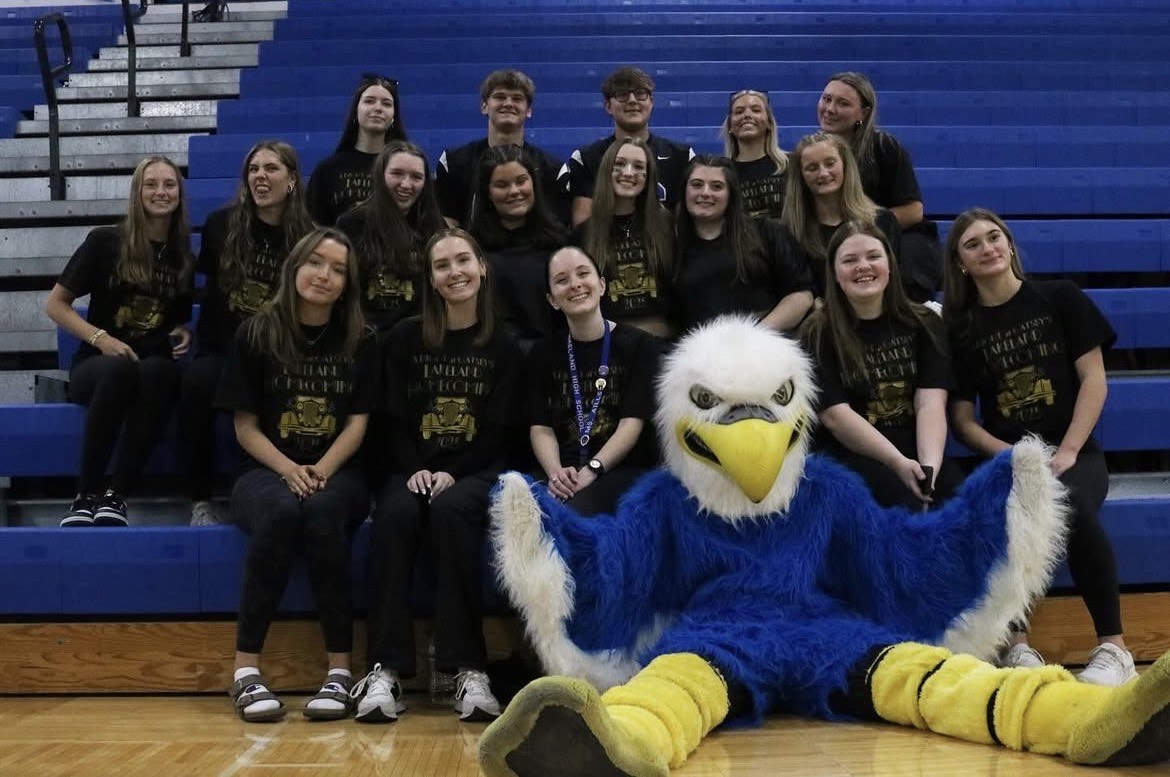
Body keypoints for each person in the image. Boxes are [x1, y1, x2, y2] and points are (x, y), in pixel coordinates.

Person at [943, 207, 1137, 686]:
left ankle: (1115, 650)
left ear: (1009, 244)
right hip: (1010, 459)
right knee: (1001, 518)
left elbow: (1094, 380)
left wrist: (1067, 451)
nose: (987, 248)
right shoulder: (961, 328)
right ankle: (1017, 646)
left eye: (994, 237)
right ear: (961, 263)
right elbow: (962, 419)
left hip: (1075, 452)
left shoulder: (1060, 297)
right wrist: (1012, 456)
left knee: (1070, 506)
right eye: (972, 244)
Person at [354, 228, 522, 724]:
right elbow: (391, 419)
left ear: (482, 267)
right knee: (396, 515)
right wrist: (416, 469)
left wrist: (453, 472)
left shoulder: (504, 345)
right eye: (442, 265)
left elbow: (499, 431)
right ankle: (384, 670)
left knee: (452, 512)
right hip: (412, 468)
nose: (455, 272)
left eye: (463, 260)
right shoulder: (404, 338)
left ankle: (467, 668)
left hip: (477, 469)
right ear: (430, 278)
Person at [217, 228, 378, 722]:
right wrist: (289, 469)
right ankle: (246, 670)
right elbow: (244, 427)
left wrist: (321, 470)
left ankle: (340, 672)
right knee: (281, 513)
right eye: (315, 262)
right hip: (265, 468)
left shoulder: (362, 338)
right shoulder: (255, 333)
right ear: (295, 266)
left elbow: (358, 424)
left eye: (337, 269)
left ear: (348, 284)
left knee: (324, 512)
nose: (324, 275)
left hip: (339, 471)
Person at [46, 156, 194, 528]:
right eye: (151, 184)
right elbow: (56, 305)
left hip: (149, 366)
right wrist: (102, 338)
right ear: (137, 192)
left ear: (180, 193)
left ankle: (117, 497)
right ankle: (85, 496)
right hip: (97, 366)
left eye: (169, 184)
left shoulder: (182, 256)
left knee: (162, 372)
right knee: (119, 369)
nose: (161, 192)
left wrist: (181, 328)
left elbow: (173, 314)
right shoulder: (105, 240)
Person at [179, 140, 315, 526]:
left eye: (271, 168)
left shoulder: (309, 237)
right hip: (221, 349)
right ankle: (199, 501)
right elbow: (204, 288)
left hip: (278, 352)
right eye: (253, 169)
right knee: (196, 382)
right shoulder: (221, 225)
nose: (260, 176)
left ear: (291, 180)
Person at [801, 220, 963, 510]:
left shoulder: (925, 323)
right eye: (850, 260)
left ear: (890, 266)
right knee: (902, 502)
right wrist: (897, 462)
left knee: (957, 501)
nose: (863, 266)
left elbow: (930, 403)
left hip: (914, 447)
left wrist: (929, 469)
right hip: (851, 454)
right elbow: (835, 417)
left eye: (873, 256)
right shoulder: (817, 332)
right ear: (835, 274)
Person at [528, 246, 660, 517]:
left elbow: (631, 424)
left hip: (620, 469)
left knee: (575, 511)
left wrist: (592, 470)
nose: (575, 284)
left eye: (583, 274)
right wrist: (556, 474)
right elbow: (540, 427)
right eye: (562, 280)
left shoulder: (639, 345)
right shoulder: (542, 353)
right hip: (563, 470)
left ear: (601, 285)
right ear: (552, 300)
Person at [817, 71, 940, 302]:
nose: (830, 109)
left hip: (897, 237)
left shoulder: (884, 147)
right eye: (826, 98)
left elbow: (913, 211)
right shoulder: (814, 153)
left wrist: (862, 231)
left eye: (843, 103)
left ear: (863, 113)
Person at [671, 155, 814, 335]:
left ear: (731, 194)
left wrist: (752, 337)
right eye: (697, 184)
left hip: (765, 342)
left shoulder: (768, 232)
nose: (705, 193)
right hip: (698, 347)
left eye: (717, 186)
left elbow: (801, 295)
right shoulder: (672, 245)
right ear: (684, 190)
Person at [558, 66, 694, 227]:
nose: (632, 100)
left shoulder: (682, 156)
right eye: (622, 94)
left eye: (640, 93)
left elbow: (685, 226)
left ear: (651, 102)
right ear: (608, 106)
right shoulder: (586, 158)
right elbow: (583, 229)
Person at [336, 140, 445, 335]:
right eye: (397, 173)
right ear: (380, 175)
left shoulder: (434, 225)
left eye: (416, 177)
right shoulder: (351, 224)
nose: (406, 184)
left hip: (417, 337)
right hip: (364, 336)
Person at [570, 137, 675, 340]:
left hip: (662, 345)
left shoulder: (667, 226)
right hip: (608, 346)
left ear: (648, 176)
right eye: (619, 164)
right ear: (606, 171)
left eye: (638, 166)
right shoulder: (583, 234)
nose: (628, 172)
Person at [434, 69, 567, 227]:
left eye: (517, 98)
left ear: (529, 110)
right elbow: (448, 226)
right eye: (500, 97)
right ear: (484, 106)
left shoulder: (552, 168)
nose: (508, 103)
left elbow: (555, 229)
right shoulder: (454, 162)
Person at [467, 144, 568, 348]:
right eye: (502, 185)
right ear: (488, 192)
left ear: (533, 183)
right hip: (493, 354)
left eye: (521, 181)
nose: (514, 191)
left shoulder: (561, 243)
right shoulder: (471, 249)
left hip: (549, 354)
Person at [781, 132, 901, 298]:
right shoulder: (790, 231)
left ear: (845, 165)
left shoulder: (882, 221)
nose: (823, 173)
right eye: (812, 168)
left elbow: (894, 284)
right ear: (801, 176)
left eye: (830, 163)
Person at [307, 74, 407, 225]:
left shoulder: (406, 169)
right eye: (369, 101)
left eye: (386, 104)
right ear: (355, 110)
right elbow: (315, 227)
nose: (378, 108)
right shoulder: (327, 169)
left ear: (394, 116)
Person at [722, 89, 788, 219]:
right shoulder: (723, 172)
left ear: (769, 122)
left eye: (756, 110)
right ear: (730, 125)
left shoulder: (791, 165)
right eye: (739, 112)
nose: (747, 115)